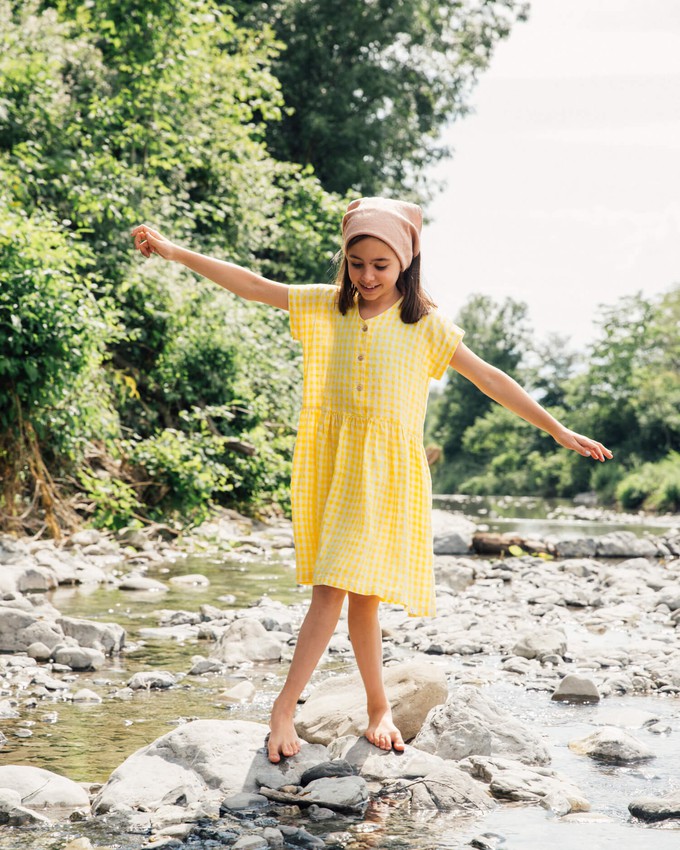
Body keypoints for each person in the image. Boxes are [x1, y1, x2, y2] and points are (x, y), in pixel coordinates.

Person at [131, 197, 612, 764]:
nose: (367, 276)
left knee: (360, 598)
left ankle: (354, 706)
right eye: (357, 263)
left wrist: (556, 430)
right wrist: (172, 251)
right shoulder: (325, 306)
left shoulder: (425, 327)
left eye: (380, 265)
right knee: (337, 592)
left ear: (404, 264)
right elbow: (254, 286)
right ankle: (307, 707)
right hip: (332, 465)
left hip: (386, 476)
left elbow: (489, 379)